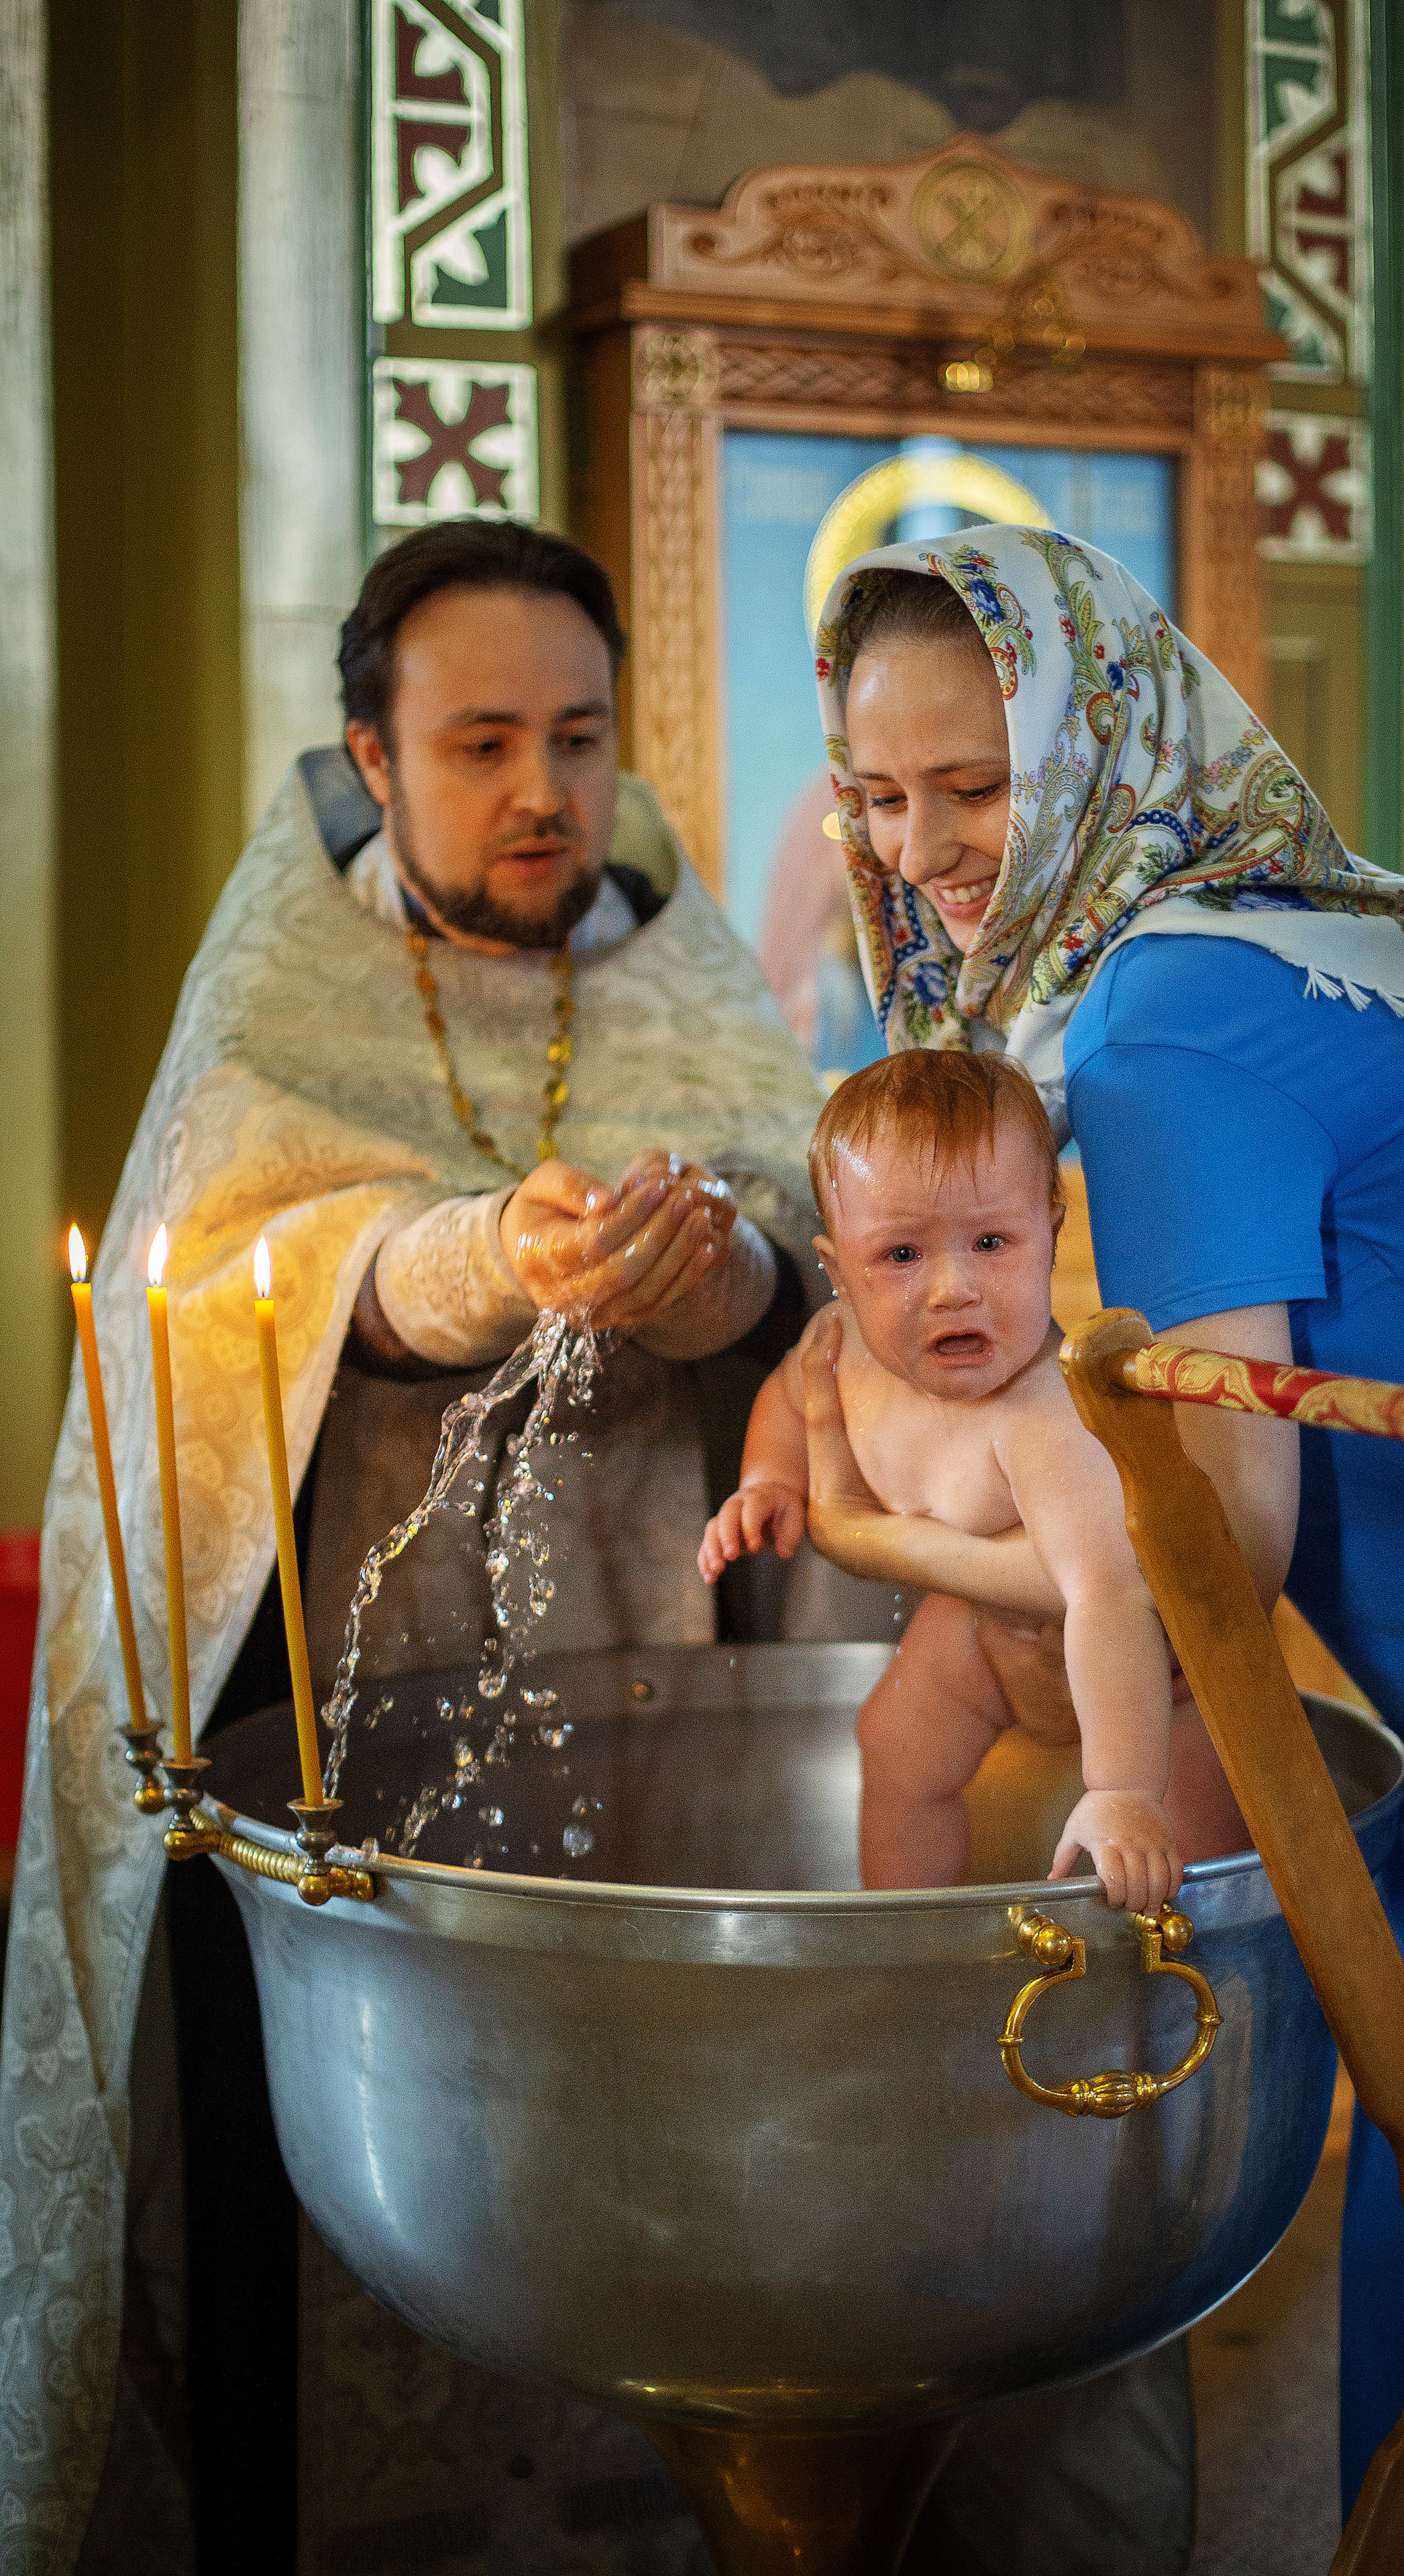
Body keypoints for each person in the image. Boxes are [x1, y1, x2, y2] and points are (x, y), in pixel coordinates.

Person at [0, 520, 1195, 2576]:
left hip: (655, 1715)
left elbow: (819, 1250)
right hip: (347, 1747)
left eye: (574, 734)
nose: (542, 789)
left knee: (677, 2216)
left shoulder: (679, 965)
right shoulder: (276, 994)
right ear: (372, 758)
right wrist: (462, 1259)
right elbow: (224, 1290)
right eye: (477, 742)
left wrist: (730, 1259)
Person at [804, 525, 1404, 2576]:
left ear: (1100, 731)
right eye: (876, 792)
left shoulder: (1164, 1020)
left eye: (977, 782)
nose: (925, 847)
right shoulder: (1264, 923)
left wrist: (895, 1543)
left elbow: (1220, 1529)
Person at [700, 1049, 1248, 1906]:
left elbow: (1110, 1598)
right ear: (837, 1270)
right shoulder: (838, 1346)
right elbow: (785, 1395)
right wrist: (768, 1480)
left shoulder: (1046, 1417)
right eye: (901, 1255)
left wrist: (1121, 1792)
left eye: (991, 1242)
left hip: (1148, 1669)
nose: (952, 1288)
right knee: (892, 1744)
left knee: (1193, 1840)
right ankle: (901, 1930)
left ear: (1051, 1231)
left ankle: (1198, 1964)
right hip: (984, 1630)